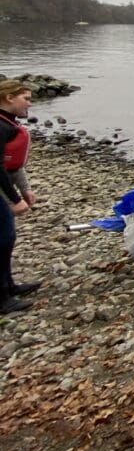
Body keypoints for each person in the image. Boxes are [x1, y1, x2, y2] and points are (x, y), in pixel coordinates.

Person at [0, 79, 42, 314]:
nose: (30, 104)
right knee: (3, 238)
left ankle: (9, 286)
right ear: (9, 98)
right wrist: (15, 200)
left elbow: (13, 165)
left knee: (7, 239)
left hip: (7, 187)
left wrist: (24, 189)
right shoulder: (1, 127)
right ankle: (2, 298)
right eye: (26, 99)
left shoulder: (9, 125)